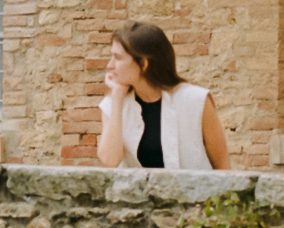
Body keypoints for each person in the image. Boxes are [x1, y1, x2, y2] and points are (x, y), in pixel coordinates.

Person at [95, 21, 230, 172]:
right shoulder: (112, 104)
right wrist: (117, 97)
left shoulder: (196, 100)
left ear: (144, 64)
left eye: (117, 58)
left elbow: (223, 167)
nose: (109, 65)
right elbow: (110, 160)